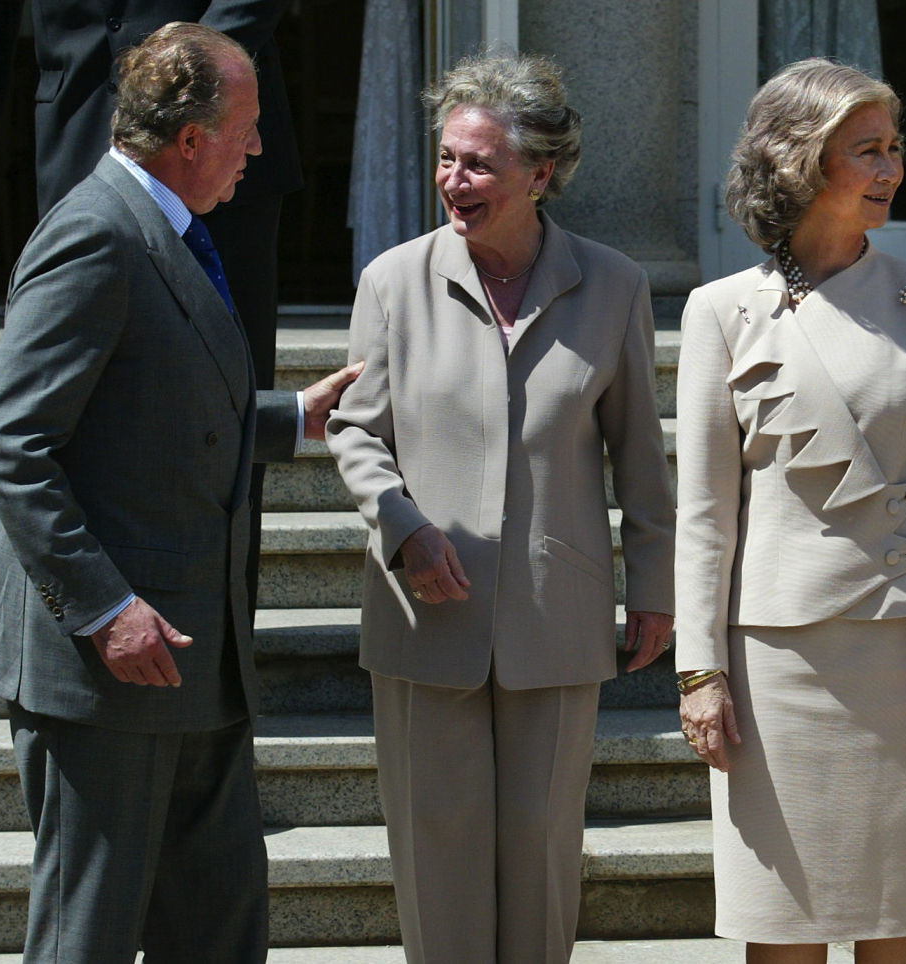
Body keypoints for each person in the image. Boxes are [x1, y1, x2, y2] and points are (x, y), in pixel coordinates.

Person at [0, 23, 358, 963]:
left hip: (197, 656)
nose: (258, 151)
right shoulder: (95, 234)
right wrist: (104, 608)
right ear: (190, 140)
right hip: (106, 670)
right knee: (86, 938)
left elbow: (151, 404)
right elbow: (10, 441)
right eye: (248, 129)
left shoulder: (173, 229)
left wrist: (286, 419)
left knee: (220, 927)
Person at [326, 52, 675, 963]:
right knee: (435, 854)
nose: (454, 181)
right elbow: (355, 433)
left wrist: (657, 587)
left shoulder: (613, 286)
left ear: (540, 173)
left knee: (542, 848)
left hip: (554, 616)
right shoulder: (392, 282)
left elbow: (640, 456)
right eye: (445, 159)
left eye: (477, 164)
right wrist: (399, 526)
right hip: (422, 612)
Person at [674, 59, 906, 962]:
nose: (891, 168)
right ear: (804, 161)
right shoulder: (720, 310)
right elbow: (704, 513)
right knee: (784, 925)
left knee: (902, 918)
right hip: (777, 661)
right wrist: (700, 672)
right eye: (867, 151)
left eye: (894, 148)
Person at [0, 0, 302, 615]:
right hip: (80, 135)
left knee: (224, 395)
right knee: (75, 410)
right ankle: (87, 618)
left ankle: (218, 647)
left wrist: (183, 88)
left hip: (217, 143)